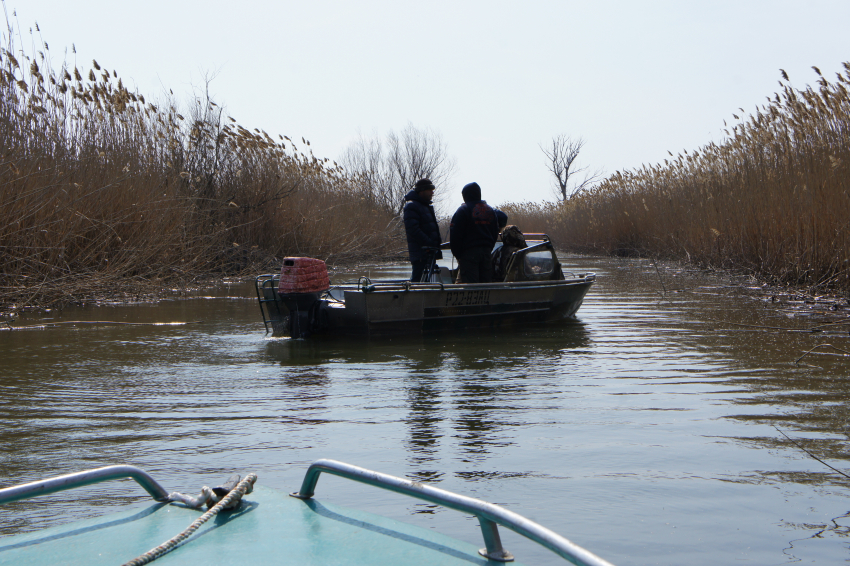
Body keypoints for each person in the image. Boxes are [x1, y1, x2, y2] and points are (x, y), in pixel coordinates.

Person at [449, 182, 500, 283]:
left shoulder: (463, 210)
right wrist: (488, 248)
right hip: (486, 253)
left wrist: (458, 255)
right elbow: (495, 232)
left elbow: (455, 235)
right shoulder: (490, 210)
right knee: (485, 285)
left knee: (471, 287)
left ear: (465, 195)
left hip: (468, 254)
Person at [403, 178, 442, 282]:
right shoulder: (412, 206)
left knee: (427, 283)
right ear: (421, 191)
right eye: (430, 190)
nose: (432, 193)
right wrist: (429, 243)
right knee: (417, 282)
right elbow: (413, 230)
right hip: (420, 253)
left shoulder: (425, 206)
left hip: (429, 253)